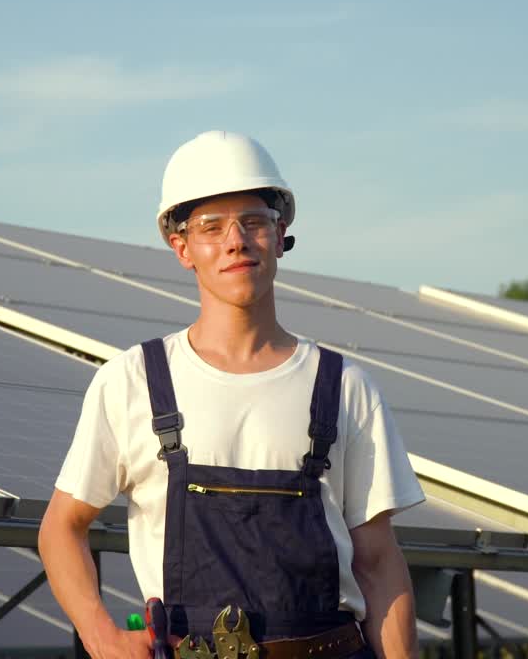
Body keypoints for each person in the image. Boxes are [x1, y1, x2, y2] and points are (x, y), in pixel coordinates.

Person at [39, 130, 425, 659]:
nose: (236, 241)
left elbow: (378, 563)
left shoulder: (345, 387)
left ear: (281, 233)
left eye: (254, 222)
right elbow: (61, 528)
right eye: (211, 227)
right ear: (182, 248)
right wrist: (101, 637)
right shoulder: (133, 381)